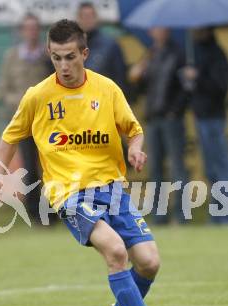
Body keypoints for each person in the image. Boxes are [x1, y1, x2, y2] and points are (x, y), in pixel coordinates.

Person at [0, 19, 182, 306]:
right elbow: (11, 135)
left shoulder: (107, 89)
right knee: (116, 252)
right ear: (49, 53)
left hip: (111, 189)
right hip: (69, 194)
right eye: (57, 57)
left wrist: (134, 148)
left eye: (70, 57)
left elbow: (133, 129)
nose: (64, 66)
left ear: (84, 53)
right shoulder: (38, 95)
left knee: (149, 262)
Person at [129, 28, 188, 224]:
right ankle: (159, 216)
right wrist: (138, 76)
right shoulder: (150, 54)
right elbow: (144, 88)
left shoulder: (179, 53)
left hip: (171, 118)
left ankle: (181, 215)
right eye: (155, 28)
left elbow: (185, 88)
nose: (158, 31)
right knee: (155, 169)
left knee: (177, 167)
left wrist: (175, 111)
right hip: (153, 118)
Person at [0, 13, 50, 223]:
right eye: (27, 28)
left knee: (50, 166)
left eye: (34, 28)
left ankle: (53, 210)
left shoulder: (47, 57)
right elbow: (4, 88)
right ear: (21, 31)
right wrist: (20, 103)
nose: (31, 32)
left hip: (47, 121)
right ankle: (34, 211)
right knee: (29, 166)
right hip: (24, 122)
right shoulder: (11, 57)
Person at [182, 27, 228, 224]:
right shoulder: (195, 50)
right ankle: (217, 214)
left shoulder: (216, 53)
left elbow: (221, 85)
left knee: (220, 168)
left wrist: (197, 77)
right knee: (211, 169)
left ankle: (223, 215)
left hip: (213, 116)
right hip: (201, 116)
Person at [77, 2, 127, 91]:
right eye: (83, 16)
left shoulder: (110, 45)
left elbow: (120, 77)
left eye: (90, 16)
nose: (87, 20)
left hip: (104, 99)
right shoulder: (71, 46)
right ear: (78, 19)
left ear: (97, 18)